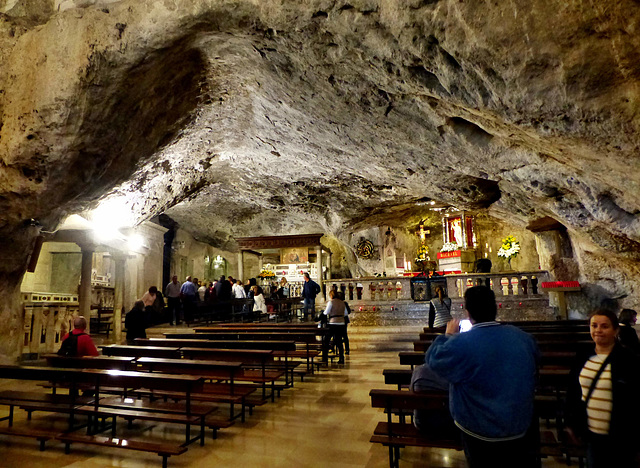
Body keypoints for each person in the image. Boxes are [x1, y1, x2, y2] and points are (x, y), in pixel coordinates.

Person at [426, 286, 539, 468]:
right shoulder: (522, 338)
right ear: (495, 308)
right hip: (518, 424)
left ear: (467, 312)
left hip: (478, 428)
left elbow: (434, 359)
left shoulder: (462, 343)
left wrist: (448, 336)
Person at [565, 310, 640, 467]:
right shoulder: (583, 356)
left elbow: (635, 399)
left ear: (615, 330)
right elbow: (573, 391)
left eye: (604, 326)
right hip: (591, 435)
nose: (598, 330)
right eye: (594, 326)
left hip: (620, 436)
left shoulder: (628, 359)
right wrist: (571, 421)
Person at [321, 290, 348, 364]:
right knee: (339, 341)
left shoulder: (331, 302)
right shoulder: (342, 303)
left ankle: (325, 358)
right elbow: (345, 313)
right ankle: (341, 358)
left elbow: (326, 312)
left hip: (333, 323)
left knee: (326, 340)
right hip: (341, 323)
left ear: (331, 295)